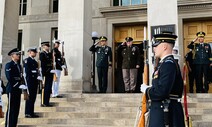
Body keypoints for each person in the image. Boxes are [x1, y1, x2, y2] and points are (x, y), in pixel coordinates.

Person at [140, 32, 185, 127]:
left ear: (164, 46)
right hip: (162, 111)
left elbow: (162, 92)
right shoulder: (164, 64)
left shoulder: (168, 64)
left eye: (156, 45)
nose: (154, 49)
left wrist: (147, 90)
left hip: (167, 113)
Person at [5, 48, 24, 127]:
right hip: (12, 89)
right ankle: (8, 125)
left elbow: (20, 77)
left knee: (16, 109)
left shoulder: (19, 65)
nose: (18, 55)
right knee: (11, 109)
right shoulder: (9, 65)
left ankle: (13, 124)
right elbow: (9, 77)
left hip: (18, 90)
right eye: (17, 54)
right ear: (12, 56)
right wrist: (17, 84)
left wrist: (22, 84)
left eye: (18, 54)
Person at [24, 47, 39, 118]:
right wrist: (35, 73)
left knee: (33, 97)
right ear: (29, 52)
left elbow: (36, 70)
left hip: (35, 82)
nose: (35, 53)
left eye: (35, 52)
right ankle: (28, 113)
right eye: (34, 52)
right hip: (29, 81)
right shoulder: (27, 60)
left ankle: (31, 112)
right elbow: (28, 72)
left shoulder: (35, 62)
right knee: (29, 97)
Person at [39, 41, 53, 107]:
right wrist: (43, 73)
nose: (48, 47)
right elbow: (42, 65)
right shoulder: (42, 54)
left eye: (48, 46)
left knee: (49, 88)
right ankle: (44, 102)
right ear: (43, 47)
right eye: (47, 46)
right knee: (45, 88)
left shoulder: (49, 54)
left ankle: (47, 102)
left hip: (50, 73)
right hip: (46, 73)